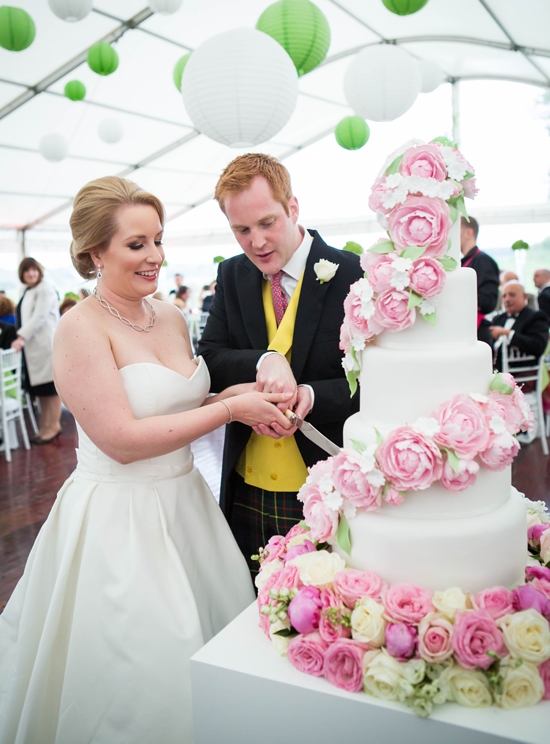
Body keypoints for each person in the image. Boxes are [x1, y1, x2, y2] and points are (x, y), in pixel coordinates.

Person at [0, 176, 292, 744]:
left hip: (187, 508)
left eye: (158, 240)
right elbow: (123, 439)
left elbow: (177, 407)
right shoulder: (79, 328)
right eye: (137, 245)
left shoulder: (171, 316)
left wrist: (231, 399)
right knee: (140, 675)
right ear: (94, 253)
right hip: (120, 520)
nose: (155, 256)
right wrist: (229, 413)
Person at [198, 153, 363, 576]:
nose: (256, 242)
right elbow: (212, 358)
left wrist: (310, 394)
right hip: (246, 486)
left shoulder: (353, 273)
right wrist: (265, 359)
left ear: (292, 207)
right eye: (241, 230)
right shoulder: (232, 274)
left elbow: (375, 378)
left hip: (327, 486)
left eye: (267, 222)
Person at [11, 258, 62, 444]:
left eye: (34, 270)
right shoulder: (27, 290)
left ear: (39, 271)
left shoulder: (45, 288)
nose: (31, 274)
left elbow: (39, 317)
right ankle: (45, 427)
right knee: (41, 390)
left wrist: (21, 337)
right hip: (34, 349)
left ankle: (54, 426)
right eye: (27, 271)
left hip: (45, 346)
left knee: (51, 389)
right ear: (22, 274)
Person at [490, 281, 549, 372]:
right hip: (494, 370)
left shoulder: (536, 317)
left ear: (525, 297)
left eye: (512, 295)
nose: (507, 299)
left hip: (521, 373)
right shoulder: (498, 318)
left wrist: (509, 333)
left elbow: (538, 346)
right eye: (504, 296)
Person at [460, 216, 499, 348]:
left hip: (477, 333)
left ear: (468, 233)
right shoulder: (462, 262)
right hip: (465, 328)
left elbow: (488, 301)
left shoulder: (483, 261)